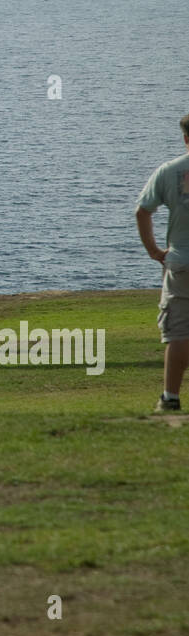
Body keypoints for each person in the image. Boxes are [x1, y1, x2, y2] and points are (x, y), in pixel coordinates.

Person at [135, 114, 189, 413]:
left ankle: (170, 398)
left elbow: (143, 212)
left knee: (179, 332)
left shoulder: (169, 172)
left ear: (185, 139)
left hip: (181, 262)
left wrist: (155, 252)